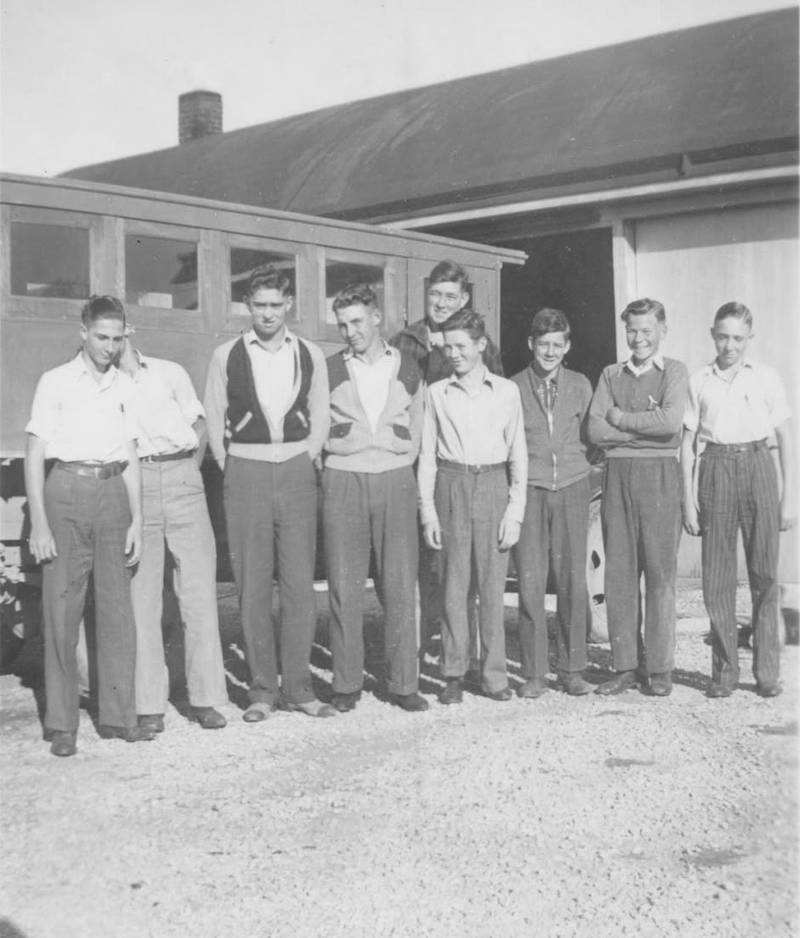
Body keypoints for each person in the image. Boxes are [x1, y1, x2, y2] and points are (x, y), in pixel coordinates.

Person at [24, 294, 154, 756]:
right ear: (83, 333)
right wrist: (39, 524)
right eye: (102, 337)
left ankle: (119, 716)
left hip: (114, 493)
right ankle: (61, 724)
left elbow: (132, 452)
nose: (109, 346)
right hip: (66, 492)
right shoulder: (55, 381)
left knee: (117, 611)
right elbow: (36, 452)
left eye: (118, 339)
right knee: (62, 612)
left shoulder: (126, 385)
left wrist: (137, 518)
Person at [204, 266, 333, 721]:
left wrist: (308, 454)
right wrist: (231, 463)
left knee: (299, 583)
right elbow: (213, 415)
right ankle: (262, 690)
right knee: (253, 585)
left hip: (296, 470)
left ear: (289, 304)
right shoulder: (227, 355)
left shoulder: (310, 353)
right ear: (247, 306)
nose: (268, 314)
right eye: (259, 306)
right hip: (247, 473)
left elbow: (320, 413)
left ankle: (299, 687)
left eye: (276, 305)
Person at [680, 302, 795, 698]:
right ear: (713, 334)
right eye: (723, 336)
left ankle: (767, 673)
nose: (730, 345)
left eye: (738, 338)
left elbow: (785, 437)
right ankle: (725, 673)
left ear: (750, 339)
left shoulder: (766, 378)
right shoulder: (699, 381)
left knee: (764, 575)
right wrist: (688, 499)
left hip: (758, 465)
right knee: (717, 578)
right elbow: (688, 444)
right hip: (715, 469)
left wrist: (788, 496)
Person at [323, 283, 428, 713]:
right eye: (343, 324)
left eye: (358, 322)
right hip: (344, 478)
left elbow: (419, 423)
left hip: (394, 476)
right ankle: (346, 682)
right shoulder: (328, 368)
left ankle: (404, 683)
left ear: (377, 317)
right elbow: (316, 425)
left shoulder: (407, 365)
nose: (350, 332)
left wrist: (399, 460)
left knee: (400, 584)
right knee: (344, 585)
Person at [391, 259, 502, 660]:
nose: (440, 303)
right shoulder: (406, 343)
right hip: (416, 464)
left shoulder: (480, 345)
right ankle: (417, 649)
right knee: (422, 561)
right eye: (435, 294)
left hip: (464, 469)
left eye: (450, 296)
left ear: (465, 298)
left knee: (466, 566)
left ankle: (466, 651)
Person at [117, 333, 229, 732]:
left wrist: (189, 471)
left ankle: (207, 699)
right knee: (142, 597)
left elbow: (199, 423)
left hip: (182, 475)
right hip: (136, 481)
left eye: (119, 334)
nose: (113, 344)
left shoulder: (169, 372)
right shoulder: (102, 383)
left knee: (198, 592)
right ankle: (149, 706)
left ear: (129, 333)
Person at [418, 309, 527, 705]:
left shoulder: (506, 391)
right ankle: (452, 671)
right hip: (451, 484)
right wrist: (428, 510)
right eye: (448, 347)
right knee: (453, 584)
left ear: (481, 345)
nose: (454, 354)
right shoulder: (436, 392)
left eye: (461, 346)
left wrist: (514, 511)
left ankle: (494, 675)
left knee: (492, 587)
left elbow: (519, 454)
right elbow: (427, 455)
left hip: (493, 485)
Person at [587, 298, 688, 697]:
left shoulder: (674, 372)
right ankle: (625, 664)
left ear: (662, 328)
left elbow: (671, 423)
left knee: (660, 573)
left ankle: (660, 668)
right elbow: (595, 430)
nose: (639, 338)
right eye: (632, 330)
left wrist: (622, 421)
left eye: (647, 330)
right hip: (618, 475)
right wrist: (639, 433)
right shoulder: (611, 374)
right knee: (621, 573)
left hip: (660, 477)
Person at [511, 308, 594, 698]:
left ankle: (572, 667)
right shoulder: (512, 387)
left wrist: (578, 466)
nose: (549, 351)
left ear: (567, 346)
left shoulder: (580, 384)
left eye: (557, 344)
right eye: (543, 344)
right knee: (530, 581)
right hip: (530, 489)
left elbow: (592, 433)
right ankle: (533, 672)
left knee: (571, 581)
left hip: (572, 488)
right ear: (531, 344)